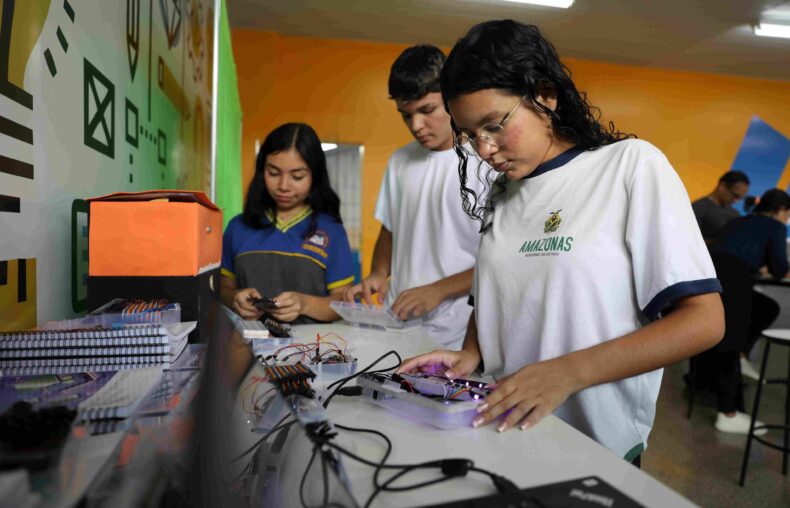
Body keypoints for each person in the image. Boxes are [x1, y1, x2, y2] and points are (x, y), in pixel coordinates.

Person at [398, 20, 725, 463]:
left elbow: (703, 321)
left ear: (545, 95)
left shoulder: (630, 168)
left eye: (494, 125)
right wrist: (470, 354)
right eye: (471, 134)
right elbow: (494, 297)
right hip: (505, 427)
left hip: (595, 445)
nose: (484, 149)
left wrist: (568, 373)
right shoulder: (502, 193)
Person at [343, 45, 484, 348]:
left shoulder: (487, 162)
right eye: (406, 115)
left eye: (427, 110)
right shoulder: (399, 161)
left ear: (451, 98)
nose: (416, 126)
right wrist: (379, 273)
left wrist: (439, 290)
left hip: (461, 332)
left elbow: (503, 260)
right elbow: (391, 228)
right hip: (399, 322)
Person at [221, 123, 355, 324]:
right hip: (246, 345)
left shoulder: (331, 230)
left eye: (297, 176)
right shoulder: (238, 227)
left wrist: (304, 303)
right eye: (273, 173)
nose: (283, 186)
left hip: (311, 348)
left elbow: (342, 302)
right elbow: (222, 288)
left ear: (315, 176)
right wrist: (235, 298)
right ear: (261, 171)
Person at [696, 189, 790, 434]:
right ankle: (728, 412)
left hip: (711, 275)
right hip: (735, 277)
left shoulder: (739, 220)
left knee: (765, 307)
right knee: (731, 340)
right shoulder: (775, 226)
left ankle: (736, 360)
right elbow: (780, 268)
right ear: (781, 210)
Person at [692, 171, 750, 244]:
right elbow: (690, 242)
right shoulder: (698, 207)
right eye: (735, 195)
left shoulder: (735, 214)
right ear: (723, 186)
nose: (736, 201)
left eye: (740, 198)